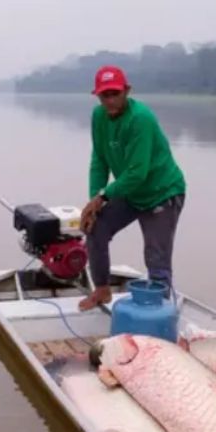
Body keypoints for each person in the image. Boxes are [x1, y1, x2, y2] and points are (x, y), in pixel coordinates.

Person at [78, 66, 186, 311]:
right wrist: (95, 198)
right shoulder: (98, 117)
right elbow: (99, 159)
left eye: (115, 93)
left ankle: (160, 311)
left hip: (162, 192)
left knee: (156, 257)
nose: (110, 100)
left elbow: (138, 172)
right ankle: (102, 289)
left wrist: (105, 195)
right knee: (95, 227)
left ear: (127, 91)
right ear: (97, 96)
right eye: (105, 95)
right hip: (130, 192)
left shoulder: (141, 119)